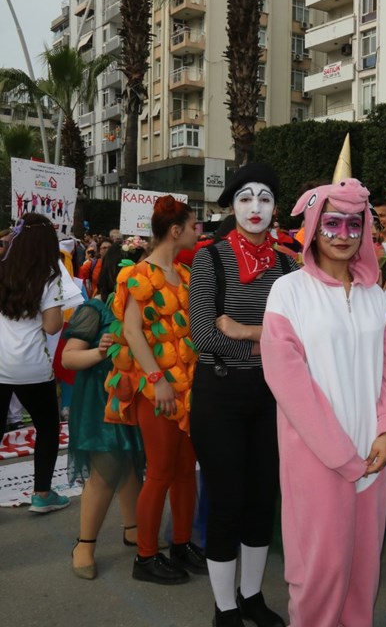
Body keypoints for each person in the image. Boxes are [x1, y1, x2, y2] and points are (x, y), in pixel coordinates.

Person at [260, 137, 386, 627]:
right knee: (318, 576)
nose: (343, 234)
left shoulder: (375, 296)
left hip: (372, 458)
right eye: (332, 223)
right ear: (313, 227)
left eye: (353, 224)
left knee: (363, 575)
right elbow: (289, 383)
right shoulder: (288, 292)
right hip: (317, 461)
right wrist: (341, 454)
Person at [190, 163, 294, 627]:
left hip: (272, 395)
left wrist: (245, 331)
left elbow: (296, 335)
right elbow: (203, 335)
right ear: (232, 206)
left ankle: (251, 596)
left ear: (275, 208)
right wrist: (264, 342)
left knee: (261, 501)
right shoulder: (209, 259)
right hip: (221, 394)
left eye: (265, 198)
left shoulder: (287, 265)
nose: (256, 207)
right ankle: (224, 607)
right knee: (227, 501)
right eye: (246, 198)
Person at [104, 196, 204, 584]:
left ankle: (181, 544)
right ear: (176, 231)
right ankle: (145, 556)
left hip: (187, 390)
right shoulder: (138, 274)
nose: (198, 232)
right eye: (193, 225)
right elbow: (132, 332)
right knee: (160, 472)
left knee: (185, 471)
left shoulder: (184, 273)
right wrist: (156, 379)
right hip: (157, 391)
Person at [63, 242, 145, 579]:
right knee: (106, 471)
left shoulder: (143, 307)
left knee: (131, 463)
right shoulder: (94, 309)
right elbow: (69, 357)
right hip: (100, 401)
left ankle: (134, 528)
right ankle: (84, 544)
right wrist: (99, 351)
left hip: (135, 397)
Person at [0, 213, 83, 513]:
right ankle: (42, 494)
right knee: (47, 427)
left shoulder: (2, 268)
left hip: (1, 362)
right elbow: (51, 326)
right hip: (32, 366)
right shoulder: (49, 276)